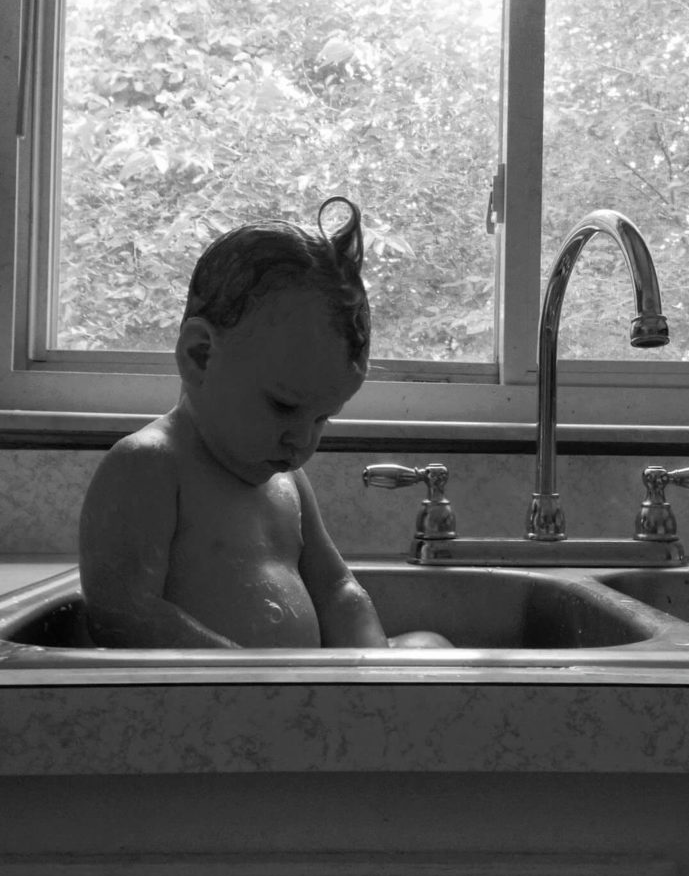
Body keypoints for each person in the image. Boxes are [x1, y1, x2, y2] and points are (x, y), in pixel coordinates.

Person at [79, 197, 452, 649]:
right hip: (221, 708)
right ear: (200, 356)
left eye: (322, 417)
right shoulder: (150, 465)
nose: (303, 440)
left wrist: (372, 669)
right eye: (282, 405)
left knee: (429, 645)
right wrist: (246, 676)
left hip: (294, 700)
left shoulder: (289, 482)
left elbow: (336, 590)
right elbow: (122, 613)